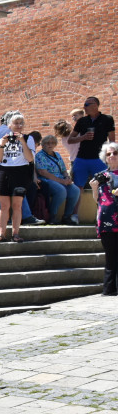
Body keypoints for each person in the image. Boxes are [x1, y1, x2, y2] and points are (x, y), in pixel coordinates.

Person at [0, 113, 36, 242]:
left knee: (17, 205)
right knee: (4, 206)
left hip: (21, 173)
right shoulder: (3, 138)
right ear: (10, 125)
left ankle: (15, 233)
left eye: (21, 123)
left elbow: (30, 158)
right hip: (4, 172)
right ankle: (1, 233)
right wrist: (2, 144)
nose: (18, 126)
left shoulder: (28, 139)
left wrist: (22, 141)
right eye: (16, 123)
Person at [69, 97, 115, 190]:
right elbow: (70, 139)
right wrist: (83, 137)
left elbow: (112, 141)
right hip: (81, 159)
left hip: (99, 159)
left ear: (95, 106)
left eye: (86, 105)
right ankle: (77, 205)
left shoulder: (107, 119)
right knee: (77, 188)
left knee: (103, 187)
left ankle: (102, 205)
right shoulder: (82, 121)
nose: (84, 107)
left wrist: (110, 157)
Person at [90, 143, 118, 295]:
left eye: (115, 153)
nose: (112, 156)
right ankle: (108, 290)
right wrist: (94, 188)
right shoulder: (100, 176)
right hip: (106, 219)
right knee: (110, 256)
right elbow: (97, 200)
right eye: (108, 154)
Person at [36, 134, 81, 224]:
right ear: (43, 144)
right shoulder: (40, 156)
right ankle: (52, 216)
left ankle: (67, 216)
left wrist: (67, 178)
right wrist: (62, 181)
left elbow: (63, 169)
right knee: (61, 190)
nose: (50, 145)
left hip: (61, 179)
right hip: (47, 180)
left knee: (75, 190)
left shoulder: (57, 155)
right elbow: (43, 172)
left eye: (52, 143)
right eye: (47, 143)